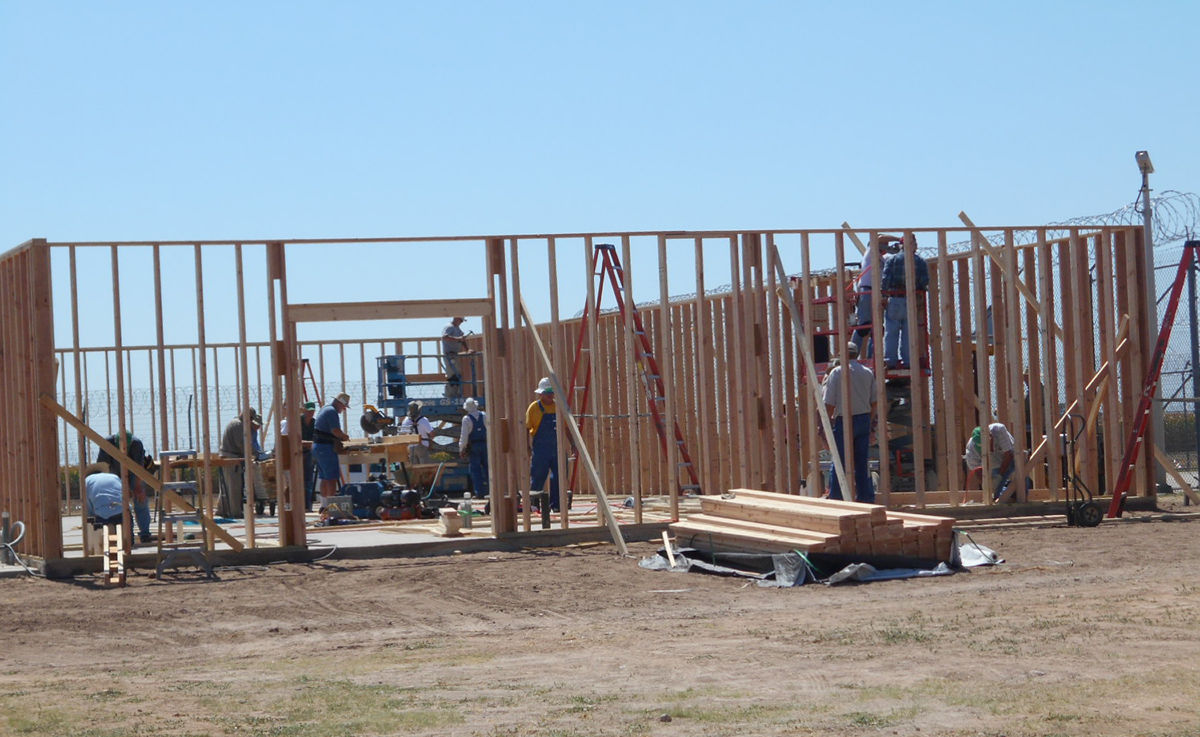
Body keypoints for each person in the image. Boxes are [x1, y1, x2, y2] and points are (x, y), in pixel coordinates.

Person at [821, 342, 877, 503]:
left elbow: (829, 403)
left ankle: (837, 499)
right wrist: (870, 420)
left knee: (839, 462)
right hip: (863, 419)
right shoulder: (867, 372)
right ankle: (866, 499)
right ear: (856, 354)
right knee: (862, 462)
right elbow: (874, 402)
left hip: (844, 420)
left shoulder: (837, 373)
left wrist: (826, 426)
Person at [880, 233, 930, 369]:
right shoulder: (919, 262)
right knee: (909, 333)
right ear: (913, 245)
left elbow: (885, 280)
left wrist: (884, 297)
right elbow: (925, 281)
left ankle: (890, 361)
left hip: (895, 299)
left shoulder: (892, 260)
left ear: (901, 245)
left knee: (891, 332)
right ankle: (908, 362)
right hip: (911, 300)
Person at [96, 431, 155, 543]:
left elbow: (139, 468)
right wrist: (117, 488)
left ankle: (145, 534)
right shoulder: (108, 443)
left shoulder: (136, 444)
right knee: (118, 504)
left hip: (134, 474)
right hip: (113, 474)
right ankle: (126, 535)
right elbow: (103, 467)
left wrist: (137, 487)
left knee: (140, 501)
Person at [851, 235, 901, 357]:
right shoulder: (871, 252)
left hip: (877, 293)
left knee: (877, 328)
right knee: (864, 325)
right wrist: (899, 238)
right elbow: (878, 238)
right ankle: (851, 354)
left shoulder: (883, 259)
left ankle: (872, 358)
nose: (886, 246)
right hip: (867, 290)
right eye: (885, 243)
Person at [219, 408, 269, 517]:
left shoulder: (236, 423)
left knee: (226, 487)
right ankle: (235, 512)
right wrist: (255, 453)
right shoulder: (238, 425)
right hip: (232, 458)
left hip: (229, 457)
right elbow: (242, 444)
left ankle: (222, 510)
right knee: (234, 487)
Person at [526, 377, 564, 512]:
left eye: (552, 393)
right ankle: (534, 505)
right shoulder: (534, 408)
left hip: (557, 448)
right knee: (538, 476)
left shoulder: (558, 407)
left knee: (559, 477)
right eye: (548, 394)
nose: (550, 396)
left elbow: (566, 427)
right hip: (541, 449)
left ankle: (557, 505)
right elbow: (527, 428)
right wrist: (527, 447)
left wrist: (573, 444)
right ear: (540, 394)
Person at [311, 392, 351, 507]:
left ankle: (324, 506)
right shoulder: (332, 412)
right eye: (344, 407)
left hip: (318, 447)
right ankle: (331, 508)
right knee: (332, 478)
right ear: (339, 403)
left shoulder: (325, 408)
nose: (343, 409)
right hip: (326, 448)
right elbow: (335, 431)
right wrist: (344, 437)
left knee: (324, 477)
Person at [964, 423, 1017, 502]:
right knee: (997, 491)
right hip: (992, 465)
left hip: (1011, 457)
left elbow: (1008, 454)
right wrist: (987, 485)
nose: (988, 448)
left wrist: (1000, 476)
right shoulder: (971, 450)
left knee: (1019, 471)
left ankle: (1017, 495)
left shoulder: (998, 430)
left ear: (991, 437)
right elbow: (977, 471)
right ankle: (1000, 497)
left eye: (988, 445)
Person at [281, 401, 318, 511]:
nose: (310, 413)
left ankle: (307, 505)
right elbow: (293, 439)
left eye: (312, 411)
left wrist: (306, 443)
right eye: (309, 411)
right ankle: (293, 504)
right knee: (294, 481)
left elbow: (315, 439)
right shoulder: (297, 422)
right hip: (297, 454)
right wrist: (306, 443)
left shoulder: (314, 423)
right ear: (304, 410)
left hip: (308, 453)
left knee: (308, 481)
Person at [459, 397, 488, 499]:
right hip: (485, 445)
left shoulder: (466, 419)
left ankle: (479, 492)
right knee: (488, 469)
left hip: (474, 446)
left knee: (475, 471)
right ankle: (490, 491)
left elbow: (464, 436)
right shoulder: (484, 415)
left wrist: (462, 448)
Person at [83, 462, 125, 526]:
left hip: (102, 516)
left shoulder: (87, 481)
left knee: (97, 530)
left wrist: (89, 518)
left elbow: (88, 505)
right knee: (128, 534)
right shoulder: (114, 477)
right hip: (123, 512)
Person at [442, 317, 469, 397]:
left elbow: (462, 339)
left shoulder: (457, 328)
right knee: (452, 376)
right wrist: (458, 339)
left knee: (457, 376)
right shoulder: (449, 327)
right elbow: (445, 337)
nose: (461, 322)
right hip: (449, 355)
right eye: (460, 320)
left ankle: (455, 394)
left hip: (455, 355)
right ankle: (449, 395)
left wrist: (467, 349)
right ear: (456, 319)